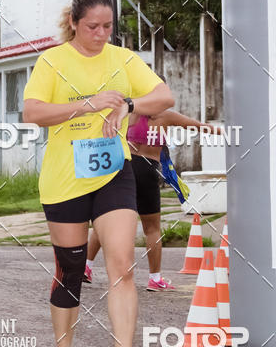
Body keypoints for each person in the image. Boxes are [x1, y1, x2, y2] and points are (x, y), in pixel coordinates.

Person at [23, 0, 174, 347]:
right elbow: (33, 112)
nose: (101, 34)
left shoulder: (123, 59)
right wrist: (88, 104)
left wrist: (129, 102)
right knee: (70, 272)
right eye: (92, 26)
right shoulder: (52, 61)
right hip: (65, 180)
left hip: (114, 175)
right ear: (74, 22)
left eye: (107, 26)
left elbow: (164, 95)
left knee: (122, 265)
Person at [85, 109, 221, 290]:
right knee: (152, 228)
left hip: (123, 167)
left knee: (106, 221)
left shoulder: (127, 113)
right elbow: (197, 126)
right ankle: (155, 278)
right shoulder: (166, 115)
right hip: (147, 170)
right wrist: (225, 132)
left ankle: (86, 267)